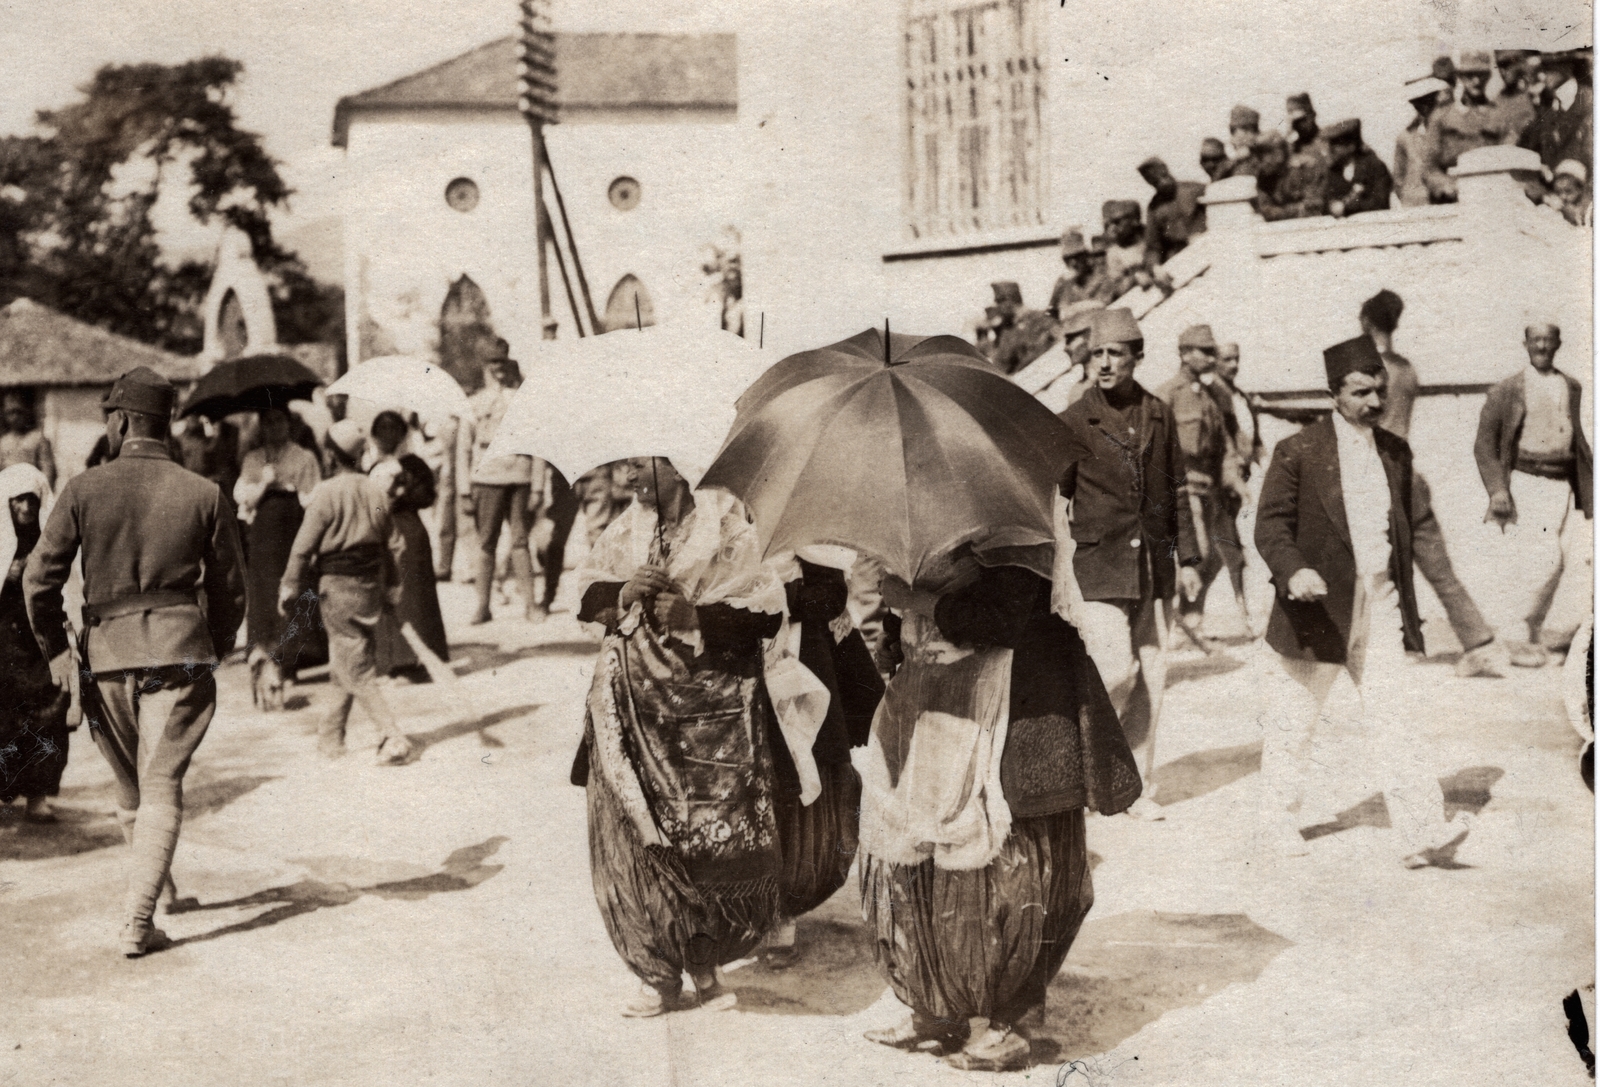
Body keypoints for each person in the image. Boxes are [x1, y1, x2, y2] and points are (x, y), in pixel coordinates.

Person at [860, 543, 1140, 1071]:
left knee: (1016, 872)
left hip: (1026, 709)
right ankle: (936, 1007)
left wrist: (919, 599)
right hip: (952, 701)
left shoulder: (1018, 520)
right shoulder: (946, 516)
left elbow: (1006, 616)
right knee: (931, 855)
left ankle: (1011, 1024)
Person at [24, 367, 246, 956]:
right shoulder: (205, 492)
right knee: (162, 782)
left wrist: (55, 653)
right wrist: (214, 644)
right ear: (165, 423)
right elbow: (231, 590)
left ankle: (156, 897)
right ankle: (140, 920)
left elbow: (38, 584)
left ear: (121, 422)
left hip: (105, 655)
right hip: (179, 650)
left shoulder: (82, 488)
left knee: (131, 786)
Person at [570, 457, 787, 1017]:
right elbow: (588, 595)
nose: (629, 477)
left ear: (680, 468)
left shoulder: (730, 530)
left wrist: (697, 616)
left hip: (707, 719)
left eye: (643, 465)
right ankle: (656, 972)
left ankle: (706, 968)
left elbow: (765, 613)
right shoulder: (626, 529)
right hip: (633, 713)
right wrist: (622, 593)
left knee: (698, 839)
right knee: (637, 835)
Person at [1254, 336, 1474, 867]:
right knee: (1295, 718)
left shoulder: (1396, 452)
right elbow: (1270, 527)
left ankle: (1421, 832)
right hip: (1317, 609)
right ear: (1334, 395)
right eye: (1360, 393)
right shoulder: (1298, 451)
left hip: (1380, 603)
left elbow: (1409, 529)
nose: (1374, 403)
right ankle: (1276, 824)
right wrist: (1294, 570)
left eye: (1379, 391)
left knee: (1396, 714)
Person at [1059, 307, 1200, 806]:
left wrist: (1190, 562)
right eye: (1096, 353)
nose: (1103, 364)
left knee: (1153, 675)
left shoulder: (1159, 413)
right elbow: (1056, 498)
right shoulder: (1075, 420)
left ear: (1136, 358)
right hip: (1098, 568)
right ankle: (1091, 768)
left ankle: (1134, 783)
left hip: (1154, 568)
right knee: (1112, 670)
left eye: (1114, 354)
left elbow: (1178, 490)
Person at [1358, 290, 1502, 677]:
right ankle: (1480, 642)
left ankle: (1386, 646)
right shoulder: (1407, 369)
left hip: (1376, 476)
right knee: (1437, 565)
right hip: (1409, 475)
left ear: (1367, 322)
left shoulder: (1365, 372)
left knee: (1374, 566)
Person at [761, 551, 885, 969]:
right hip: (739, 658)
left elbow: (829, 595)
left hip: (799, 657)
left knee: (798, 778)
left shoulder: (800, 526)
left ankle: (785, 909)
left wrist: (769, 594)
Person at [281, 420, 415, 764]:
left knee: (356, 666)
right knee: (348, 658)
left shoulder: (325, 493)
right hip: (370, 585)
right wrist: (393, 585)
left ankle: (391, 735)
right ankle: (331, 739)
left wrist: (290, 586)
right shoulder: (375, 491)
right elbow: (395, 545)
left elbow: (301, 547)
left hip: (337, 588)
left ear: (329, 454)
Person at [1474, 323, 1593, 668]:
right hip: (1528, 483)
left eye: (1548, 339)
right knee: (1540, 562)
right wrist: (1498, 489)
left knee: (1582, 559)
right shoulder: (1507, 389)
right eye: (1535, 339)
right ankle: (1516, 639)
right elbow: (1484, 445)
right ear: (1525, 343)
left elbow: (1581, 439)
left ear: (1558, 343)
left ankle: (1556, 639)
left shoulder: (1572, 386)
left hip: (1568, 485)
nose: (1542, 345)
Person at [1156, 324, 1246, 652]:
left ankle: (1191, 621)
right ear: (1184, 354)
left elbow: (1223, 447)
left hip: (1210, 489)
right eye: (1204, 351)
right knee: (1198, 553)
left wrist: (1233, 479)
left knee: (1217, 558)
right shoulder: (1167, 394)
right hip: (1183, 487)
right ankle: (1174, 625)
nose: (1211, 357)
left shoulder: (1211, 397)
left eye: (1212, 351)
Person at [234, 407, 325, 709]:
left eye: (280, 422)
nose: (275, 428)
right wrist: (264, 482)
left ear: (289, 425)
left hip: (291, 529)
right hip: (263, 536)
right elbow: (244, 498)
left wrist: (290, 486)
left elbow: (313, 497)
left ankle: (292, 661)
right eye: (269, 422)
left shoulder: (303, 456)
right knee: (265, 595)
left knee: (292, 591)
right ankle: (266, 655)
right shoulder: (253, 459)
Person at [0, 465, 70, 823]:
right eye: (17, 501)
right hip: (2, 644)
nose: (25, 508)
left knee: (46, 714)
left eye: (32, 500)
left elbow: (64, 587)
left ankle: (38, 796)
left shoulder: (49, 541)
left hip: (39, 640)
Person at [458, 337, 540, 624]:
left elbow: (537, 445)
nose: (499, 368)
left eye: (502, 362)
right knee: (486, 543)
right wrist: (463, 489)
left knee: (520, 542)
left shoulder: (524, 400)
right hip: (487, 478)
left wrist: (538, 485)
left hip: (519, 476)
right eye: (493, 363)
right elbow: (464, 447)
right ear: (487, 366)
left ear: (509, 362)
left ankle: (530, 604)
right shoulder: (475, 402)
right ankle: (482, 605)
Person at [368, 411, 449, 680]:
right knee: (385, 594)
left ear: (402, 433)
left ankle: (417, 661)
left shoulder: (412, 463)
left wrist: (405, 490)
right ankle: (391, 660)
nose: (387, 435)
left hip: (408, 531)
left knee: (414, 596)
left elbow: (428, 496)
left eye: (393, 429)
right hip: (382, 533)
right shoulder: (371, 465)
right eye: (382, 429)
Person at [1424, 50, 1522, 203]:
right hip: (1452, 196)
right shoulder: (1441, 116)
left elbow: (1509, 154)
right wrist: (1446, 186)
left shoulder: (1500, 115)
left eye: (1481, 75)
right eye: (1470, 75)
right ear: (1460, 77)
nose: (1476, 81)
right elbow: (1429, 168)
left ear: (1489, 76)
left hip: (1490, 194)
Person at [1214, 342, 1262, 631]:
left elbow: (1251, 436)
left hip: (1242, 479)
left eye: (1236, 359)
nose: (1233, 365)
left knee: (1221, 552)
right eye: (1227, 359)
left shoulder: (1239, 395)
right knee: (1230, 550)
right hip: (1222, 483)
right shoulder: (1215, 395)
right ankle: (1245, 617)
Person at [1520, 50, 1593, 173]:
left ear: (1567, 68)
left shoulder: (1590, 103)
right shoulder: (1546, 105)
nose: (1541, 76)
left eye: (1549, 68)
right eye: (1541, 69)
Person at [1394, 76, 1454, 207]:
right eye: (1416, 103)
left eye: (1427, 100)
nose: (1422, 107)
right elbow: (1398, 178)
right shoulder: (1406, 136)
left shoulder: (1447, 131)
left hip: (1442, 203)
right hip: (1413, 205)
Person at [1272, 93, 1331, 219]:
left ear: (1313, 115)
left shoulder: (1327, 142)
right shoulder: (1290, 149)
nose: (1299, 126)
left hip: (1324, 208)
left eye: (1303, 120)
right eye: (1295, 122)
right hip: (1298, 210)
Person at [1138, 157, 1207, 265]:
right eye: (1155, 181)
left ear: (1165, 169)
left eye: (1163, 175)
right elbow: (1153, 246)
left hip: (1205, 247)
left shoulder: (1195, 190)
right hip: (1178, 257)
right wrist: (1155, 267)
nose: (1162, 182)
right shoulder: (1154, 207)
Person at [1323, 119, 1394, 217]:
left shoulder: (1374, 166)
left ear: (1351, 145)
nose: (1331, 149)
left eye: (1337, 144)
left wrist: (1347, 207)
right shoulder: (1334, 171)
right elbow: (1327, 201)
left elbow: (1380, 202)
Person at [1046, 231, 1114, 320]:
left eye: (1077, 257)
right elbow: (1050, 313)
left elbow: (1101, 306)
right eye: (1067, 259)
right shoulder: (1063, 283)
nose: (1073, 263)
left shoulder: (1103, 279)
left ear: (1087, 256)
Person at [0, 391, 56, 489]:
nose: (15, 417)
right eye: (10, 413)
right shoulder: (3, 442)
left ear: (26, 412)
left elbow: (48, 471)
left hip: (31, 491)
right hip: (8, 490)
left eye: (18, 412)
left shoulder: (38, 438)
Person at [1549, 159, 1594, 225]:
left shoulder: (1589, 208)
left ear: (1580, 190)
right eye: (1558, 192)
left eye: (1568, 191)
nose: (1563, 196)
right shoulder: (1554, 205)